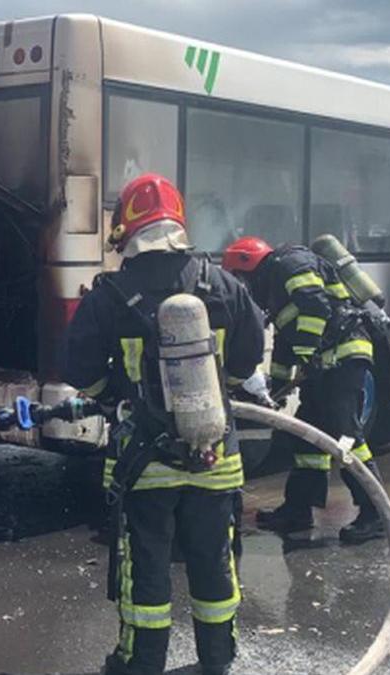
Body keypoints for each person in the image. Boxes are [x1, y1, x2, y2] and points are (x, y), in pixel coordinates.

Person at [65, 174, 266, 675]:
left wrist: (115, 398)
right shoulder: (222, 283)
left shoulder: (110, 294)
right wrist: (223, 391)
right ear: (178, 223)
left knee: (146, 569)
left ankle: (141, 663)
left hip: (144, 464)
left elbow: (78, 369)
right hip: (215, 457)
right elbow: (249, 351)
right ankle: (218, 658)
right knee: (214, 563)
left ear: (126, 231)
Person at [221, 235, 385, 544]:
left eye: (239, 278)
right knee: (309, 436)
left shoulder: (290, 265)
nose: (241, 286)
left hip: (345, 358)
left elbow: (316, 307)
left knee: (345, 437)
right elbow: (286, 341)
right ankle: (297, 510)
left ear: (246, 265)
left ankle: (374, 514)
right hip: (325, 363)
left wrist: (307, 352)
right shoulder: (272, 287)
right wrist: (275, 391)